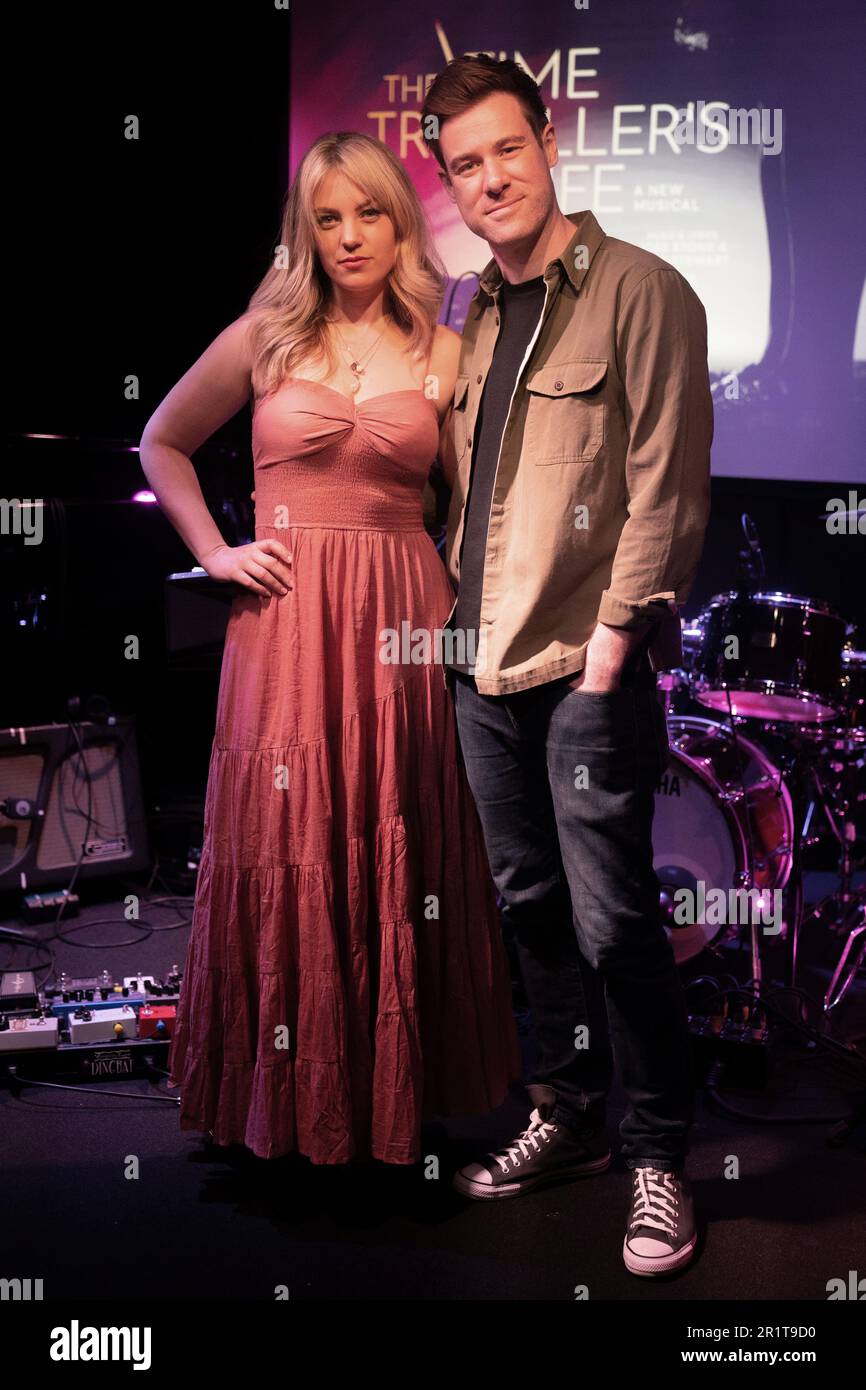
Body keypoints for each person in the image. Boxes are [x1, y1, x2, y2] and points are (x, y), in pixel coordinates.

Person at [139, 130, 521, 1166]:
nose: (348, 235)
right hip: (289, 621)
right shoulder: (265, 334)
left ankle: (399, 1098)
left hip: (401, 614)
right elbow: (161, 440)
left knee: (397, 833)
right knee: (293, 831)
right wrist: (215, 550)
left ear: (399, 221)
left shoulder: (443, 344)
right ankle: (285, 1098)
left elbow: (484, 492)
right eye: (326, 217)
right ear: (304, 232)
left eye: (368, 212)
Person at [421, 55, 713, 1275]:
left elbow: (665, 481)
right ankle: (569, 1112)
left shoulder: (640, 288)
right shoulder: (466, 312)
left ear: (548, 139)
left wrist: (605, 657)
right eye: (463, 165)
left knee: (612, 922)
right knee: (527, 911)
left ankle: (655, 1157)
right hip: (477, 663)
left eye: (505, 150)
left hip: (581, 665)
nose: (489, 180)